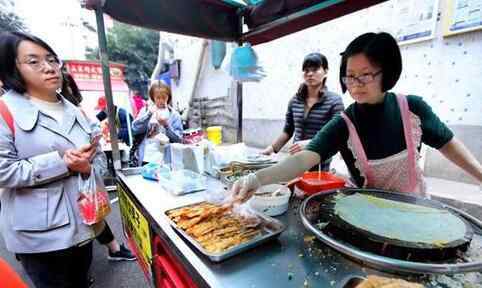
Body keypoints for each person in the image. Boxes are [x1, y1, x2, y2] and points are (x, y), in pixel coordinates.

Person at [230, 32, 482, 202]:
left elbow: (447, 144)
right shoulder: (344, 122)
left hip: (415, 207)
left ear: (387, 73)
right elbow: (301, 161)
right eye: (350, 76)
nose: (356, 84)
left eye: (365, 75)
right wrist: (256, 179)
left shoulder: (412, 108)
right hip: (367, 210)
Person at [0, 31, 106, 287]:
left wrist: (87, 167)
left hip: (85, 223)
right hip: (40, 237)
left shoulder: (76, 110)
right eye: (34, 61)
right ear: (11, 67)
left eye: (51, 59)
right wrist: (62, 164)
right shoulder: (5, 111)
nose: (49, 68)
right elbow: (3, 171)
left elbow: (99, 157)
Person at [61, 71, 136, 262]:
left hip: (85, 176)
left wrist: (90, 154)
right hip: (58, 194)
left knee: (94, 214)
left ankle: (113, 248)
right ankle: (113, 248)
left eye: (67, 86)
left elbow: (96, 135)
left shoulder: (79, 111)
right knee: (88, 219)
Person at [261, 52, 344, 171]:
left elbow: (338, 134)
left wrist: (310, 143)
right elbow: (288, 130)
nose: (310, 74)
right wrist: (271, 149)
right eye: (306, 70)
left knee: (316, 188)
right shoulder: (295, 100)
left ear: (325, 71)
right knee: (294, 187)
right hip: (295, 160)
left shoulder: (334, 101)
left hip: (319, 163)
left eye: (315, 69)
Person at [131, 81, 183, 165]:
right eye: (158, 98)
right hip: (146, 157)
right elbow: (134, 129)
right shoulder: (145, 110)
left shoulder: (174, 114)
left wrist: (166, 125)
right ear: (153, 97)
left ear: (168, 97)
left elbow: (179, 139)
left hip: (166, 160)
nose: (161, 100)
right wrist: (148, 115)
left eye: (164, 97)